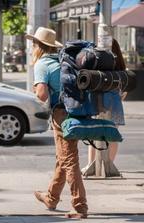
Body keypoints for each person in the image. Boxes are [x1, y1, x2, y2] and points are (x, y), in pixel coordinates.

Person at [27, 27, 88, 219]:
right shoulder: (64, 61)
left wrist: (36, 91)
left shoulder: (42, 64)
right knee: (63, 156)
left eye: (34, 44)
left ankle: (79, 206)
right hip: (79, 110)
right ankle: (52, 197)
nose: (32, 47)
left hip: (61, 113)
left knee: (69, 159)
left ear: (39, 46)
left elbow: (42, 94)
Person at [81, 38, 127, 172]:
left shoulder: (97, 61)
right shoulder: (118, 63)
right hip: (114, 102)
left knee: (94, 134)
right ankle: (108, 165)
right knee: (112, 134)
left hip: (97, 100)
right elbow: (124, 86)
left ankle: (92, 164)